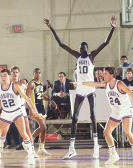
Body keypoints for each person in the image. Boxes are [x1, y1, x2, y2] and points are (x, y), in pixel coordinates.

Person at [44, 16, 117, 159]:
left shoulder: (91, 56)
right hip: (80, 89)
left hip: (90, 88)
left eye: (83, 48)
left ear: (87, 49)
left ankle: (96, 146)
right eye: (80, 48)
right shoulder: (77, 56)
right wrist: (51, 27)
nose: (81, 49)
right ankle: (72, 148)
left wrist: (112, 28)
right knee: (75, 118)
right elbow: (61, 44)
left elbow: (106, 42)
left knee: (93, 116)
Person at [72, 67, 133, 164]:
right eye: (103, 73)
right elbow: (93, 83)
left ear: (112, 75)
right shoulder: (105, 84)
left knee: (127, 132)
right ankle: (113, 154)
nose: (103, 75)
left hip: (125, 110)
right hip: (116, 111)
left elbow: (131, 92)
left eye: (105, 73)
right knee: (107, 132)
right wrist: (80, 83)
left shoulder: (119, 84)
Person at [0, 69, 38, 165]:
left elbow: (26, 98)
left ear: (9, 76)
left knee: (23, 133)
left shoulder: (15, 86)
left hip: (17, 112)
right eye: (1, 76)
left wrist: (33, 109)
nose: (3, 78)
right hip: (6, 113)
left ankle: (31, 155)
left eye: (5, 75)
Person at [0, 66, 38, 158]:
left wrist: (31, 109)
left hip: (21, 108)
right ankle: (0, 149)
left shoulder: (22, 83)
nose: (15, 74)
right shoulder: (6, 84)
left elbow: (28, 97)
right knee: (4, 131)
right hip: (8, 109)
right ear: (10, 74)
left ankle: (32, 151)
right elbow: (1, 99)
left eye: (16, 72)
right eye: (13, 72)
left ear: (18, 73)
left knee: (26, 130)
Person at [26, 68, 57, 156]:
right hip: (34, 106)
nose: (38, 74)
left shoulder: (41, 83)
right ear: (33, 74)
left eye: (39, 73)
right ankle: (28, 141)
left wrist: (50, 100)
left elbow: (41, 96)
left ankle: (41, 149)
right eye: (36, 73)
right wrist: (30, 109)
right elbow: (26, 97)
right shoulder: (31, 83)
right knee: (42, 127)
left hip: (41, 107)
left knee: (44, 129)